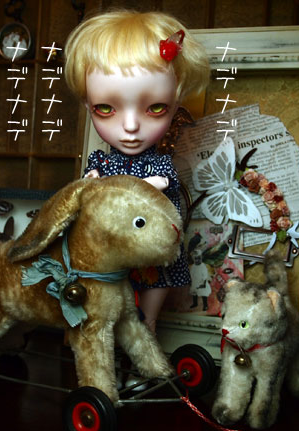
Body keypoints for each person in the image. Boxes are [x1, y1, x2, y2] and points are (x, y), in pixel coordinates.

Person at [64, 10, 210, 335]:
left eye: (155, 108)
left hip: (153, 252)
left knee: (146, 320)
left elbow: (162, 181)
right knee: (106, 317)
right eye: (106, 109)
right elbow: (87, 187)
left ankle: (146, 346)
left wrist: (135, 188)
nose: (130, 127)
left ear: (175, 105)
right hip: (112, 257)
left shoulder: (158, 165)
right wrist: (91, 186)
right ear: (88, 105)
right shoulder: (101, 163)